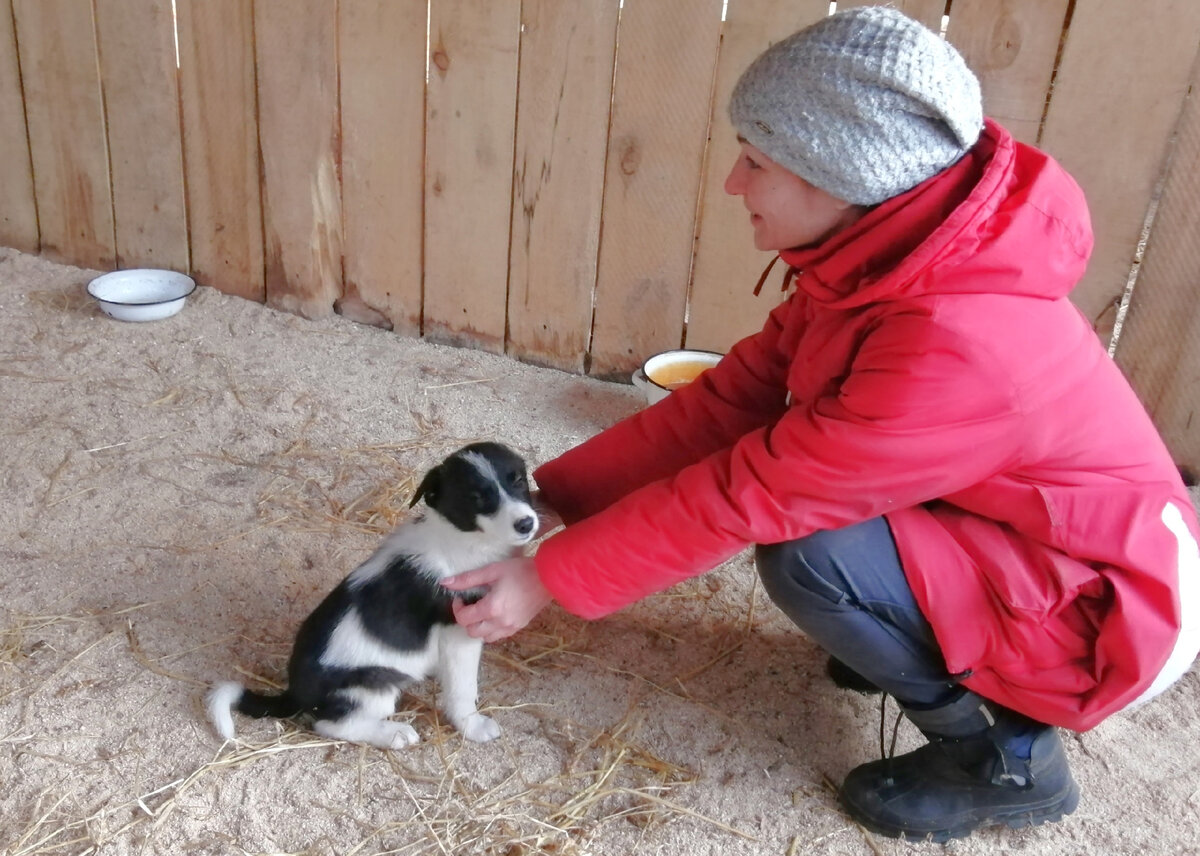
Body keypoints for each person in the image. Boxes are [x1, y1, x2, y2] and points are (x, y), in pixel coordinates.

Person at [443, 6, 1200, 842]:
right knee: (824, 522)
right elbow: (732, 402)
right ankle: (914, 630)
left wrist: (548, 578)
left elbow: (755, 492)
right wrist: (556, 500)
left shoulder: (955, 342)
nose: (733, 184)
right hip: (1032, 542)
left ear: (838, 178)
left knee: (812, 552)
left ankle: (1003, 758)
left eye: (755, 161)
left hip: (1109, 616)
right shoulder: (887, 259)